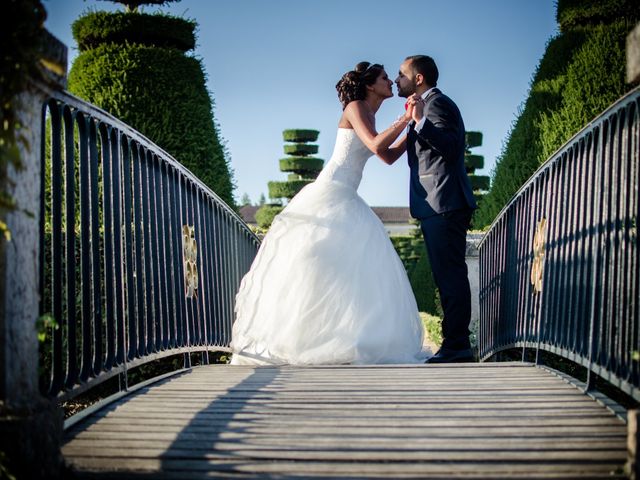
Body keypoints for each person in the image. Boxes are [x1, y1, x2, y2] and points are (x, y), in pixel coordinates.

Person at [230, 62, 428, 365]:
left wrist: (413, 127)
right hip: (330, 192)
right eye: (385, 78)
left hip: (348, 196)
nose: (391, 82)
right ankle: (302, 339)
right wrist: (404, 118)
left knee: (347, 270)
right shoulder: (355, 106)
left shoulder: (371, 113)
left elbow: (387, 156)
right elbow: (376, 144)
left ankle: (341, 339)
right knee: (316, 264)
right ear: (370, 84)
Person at [395, 55, 477, 363]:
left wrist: (419, 122)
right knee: (447, 276)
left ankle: (457, 347)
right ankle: (455, 345)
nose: (395, 80)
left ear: (418, 78)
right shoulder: (424, 106)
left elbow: (452, 146)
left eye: (400, 74)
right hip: (436, 204)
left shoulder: (437, 105)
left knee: (451, 276)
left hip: (444, 202)